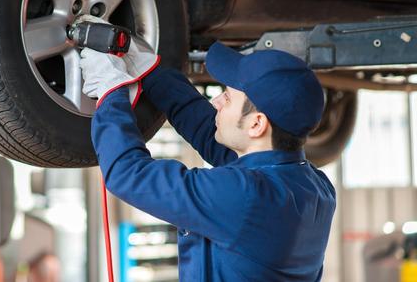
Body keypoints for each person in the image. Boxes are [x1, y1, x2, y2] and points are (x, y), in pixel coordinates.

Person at [79, 24, 336, 281]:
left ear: (257, 124)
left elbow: (129, 174)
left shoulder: (246, 197)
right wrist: (151, 72)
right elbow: (207, 131)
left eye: (227, 97)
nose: (216, 102)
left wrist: (110, 91)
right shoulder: (314, 188)